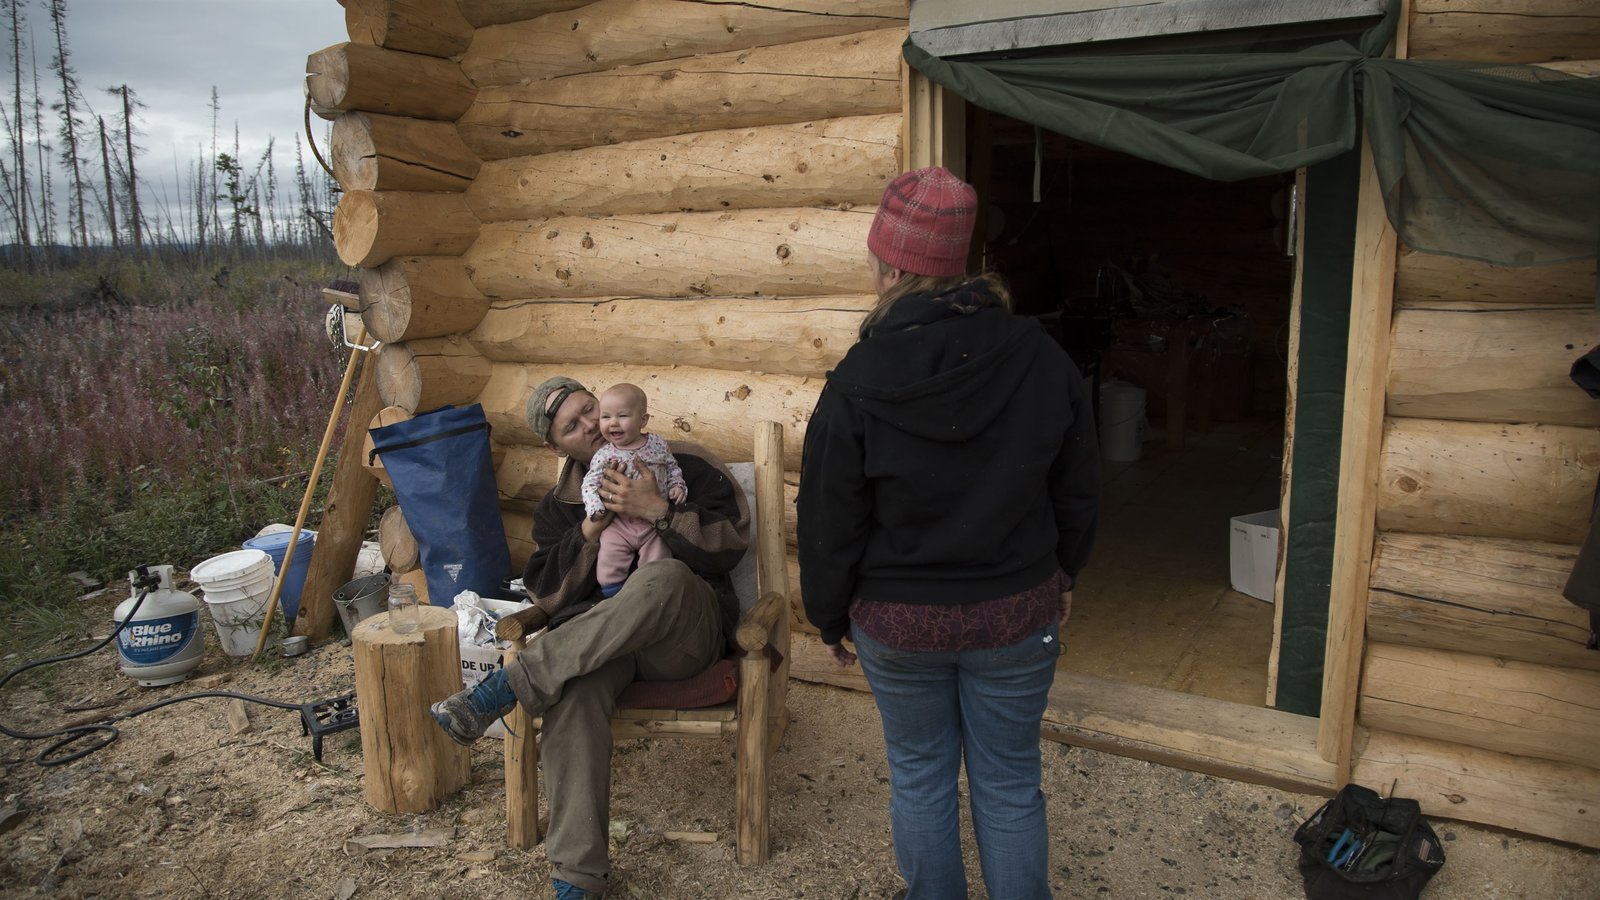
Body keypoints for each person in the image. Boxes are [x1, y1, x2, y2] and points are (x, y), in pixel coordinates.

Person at [797, 166, 1099, 900]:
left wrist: (829, 614)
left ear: (891, 265)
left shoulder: (857, 377)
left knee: (920, 773)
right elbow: (1079, 485)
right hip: (1015, 610)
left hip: (897, 621)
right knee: (1010, 779)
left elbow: (829, 515)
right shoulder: (1040, 356)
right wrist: (1065, 572)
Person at [430, 375, 749, 900]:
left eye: (589, 409)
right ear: (556, 448)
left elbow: (733, 541)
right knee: (573, 692)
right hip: (600, 650)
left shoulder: (682, 463)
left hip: (682, 640)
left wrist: (659, 511)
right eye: (572, 427)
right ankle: (578, 882)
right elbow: (545, 595)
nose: (592, 426)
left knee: (663, 577)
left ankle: (505, 687)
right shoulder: (559, 507)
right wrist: (590, 530)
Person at [581, 383, 689, 598]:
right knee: (609, 557)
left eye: (622, 415)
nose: (613, 422)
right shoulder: (604, 454)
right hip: (618, 523)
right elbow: (589, 483)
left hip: (654, 522)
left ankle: (651, 595)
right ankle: (613, 594)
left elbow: (671, 467)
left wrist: (677, 486)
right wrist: (595, 508)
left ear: (643, 420)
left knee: (659, 561)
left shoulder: (657, 444)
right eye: (605, 417)